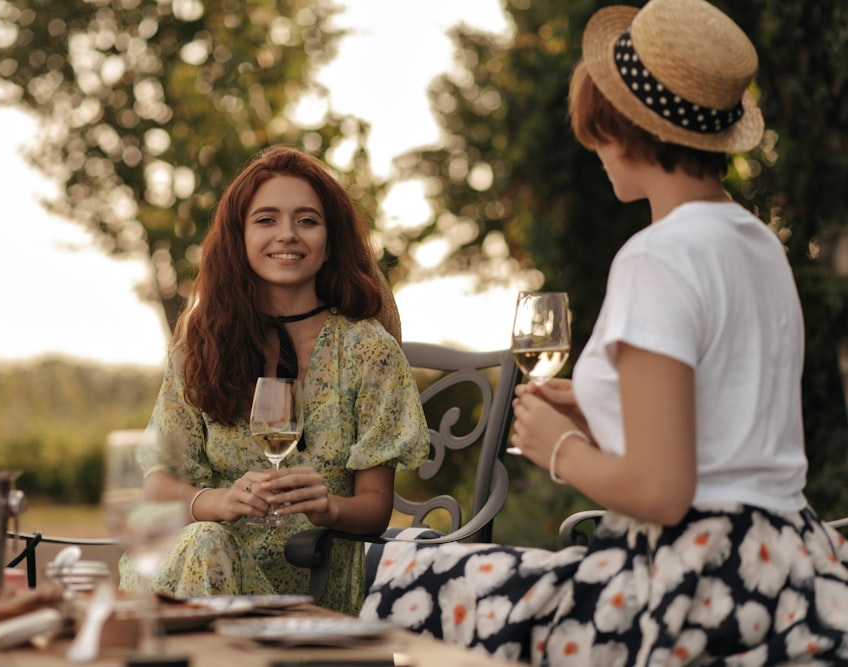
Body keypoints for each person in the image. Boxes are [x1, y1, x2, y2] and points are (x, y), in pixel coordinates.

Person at [360, 0, 848, 662]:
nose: (594, 145)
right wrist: (601, 409)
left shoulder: (659, 256)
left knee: (396, 578)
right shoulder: (757, 244)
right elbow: (725, 430)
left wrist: (558, 446)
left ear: (623, 125)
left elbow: (663, 491)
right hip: (791, 568)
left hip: (689, 582)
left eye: (599, 127)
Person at [119, 145, 430, 616]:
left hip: (311, 585)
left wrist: (329, 508)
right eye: (266, 219)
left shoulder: (368, 351)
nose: (287, 234)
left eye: (307, 220)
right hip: (189, 568)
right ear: (239, 237)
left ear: (330, 241)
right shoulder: (200, 344)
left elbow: (375, 506)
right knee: (206, 543)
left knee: (205, 546)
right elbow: (158, 486)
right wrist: (214, 502)